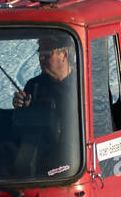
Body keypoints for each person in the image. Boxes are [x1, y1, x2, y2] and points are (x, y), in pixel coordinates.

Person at [6, 33, 81, 178]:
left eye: (47, 53)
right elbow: (22, 129)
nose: (41, 58)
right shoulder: (34, 86)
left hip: (75, 160)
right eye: (40, 53)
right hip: (41, 154)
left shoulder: (84, 83)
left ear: (64, 54)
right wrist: (22, 108)